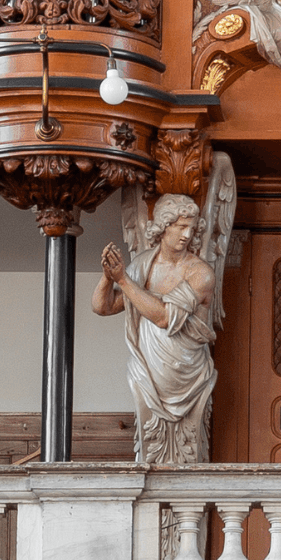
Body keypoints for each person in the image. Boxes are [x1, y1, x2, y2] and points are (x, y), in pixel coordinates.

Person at [97, 166, 233, 465]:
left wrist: (123, 280)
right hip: (149, 368)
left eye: (192, 227)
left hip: (186, 370)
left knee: (188, 450)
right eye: (180, 227)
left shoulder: (200, 273)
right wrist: (108, 277)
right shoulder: (142, 266)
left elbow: (164, 318)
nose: (188, 234)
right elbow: (103, 307)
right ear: (163, 226)